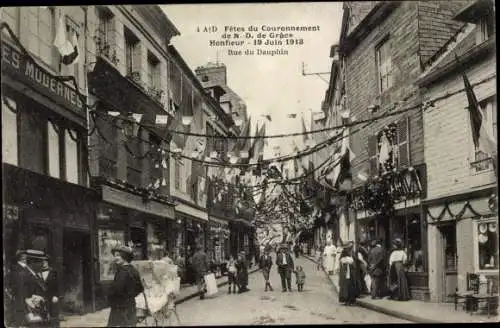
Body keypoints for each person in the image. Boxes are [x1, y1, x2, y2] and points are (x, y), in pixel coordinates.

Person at [10, 249, 54, 327]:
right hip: (26, 298)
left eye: (26, 256)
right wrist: (27, 298)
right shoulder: (18, 269)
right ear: (21, 257)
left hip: (34, 297)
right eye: (24, 256)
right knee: (28, 320)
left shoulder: (27, 267)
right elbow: (20, 286)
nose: (26, 257)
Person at [107, 245, 144, 327]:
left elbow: (117, 289)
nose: (115, 258)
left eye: (118, 256)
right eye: (115, 255)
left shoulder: (122, 271)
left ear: (124, 257)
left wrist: (110, 295)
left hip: (120, 307)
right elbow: (140, 288)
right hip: (131, 305)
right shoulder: (134, 270)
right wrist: (130, 295)